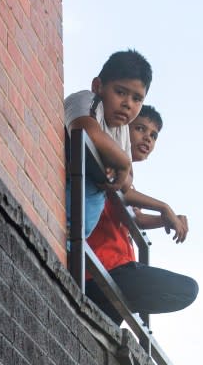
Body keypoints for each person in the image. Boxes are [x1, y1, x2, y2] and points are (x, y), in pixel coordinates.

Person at [83, 106, 198, 325]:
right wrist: (165, 208)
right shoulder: (111, 155)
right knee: (187, 289)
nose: (148, 138)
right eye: (140, 129)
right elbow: (126, 195)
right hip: (108, 265)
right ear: (124, 129)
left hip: (116, 270)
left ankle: (119, 306)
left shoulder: (128, 179)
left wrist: (164, 220)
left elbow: (136, 217)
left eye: (153, 135)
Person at [64, 49, 151, 237]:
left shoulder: (122, 131)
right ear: (98, 86)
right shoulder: (87, 100)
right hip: (58, 214)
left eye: (137, 99)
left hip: (78, 235)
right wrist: (122, 162)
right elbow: (86, 130)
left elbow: (127, 181)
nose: (128, 103)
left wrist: (120, 166)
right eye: (120, 92)